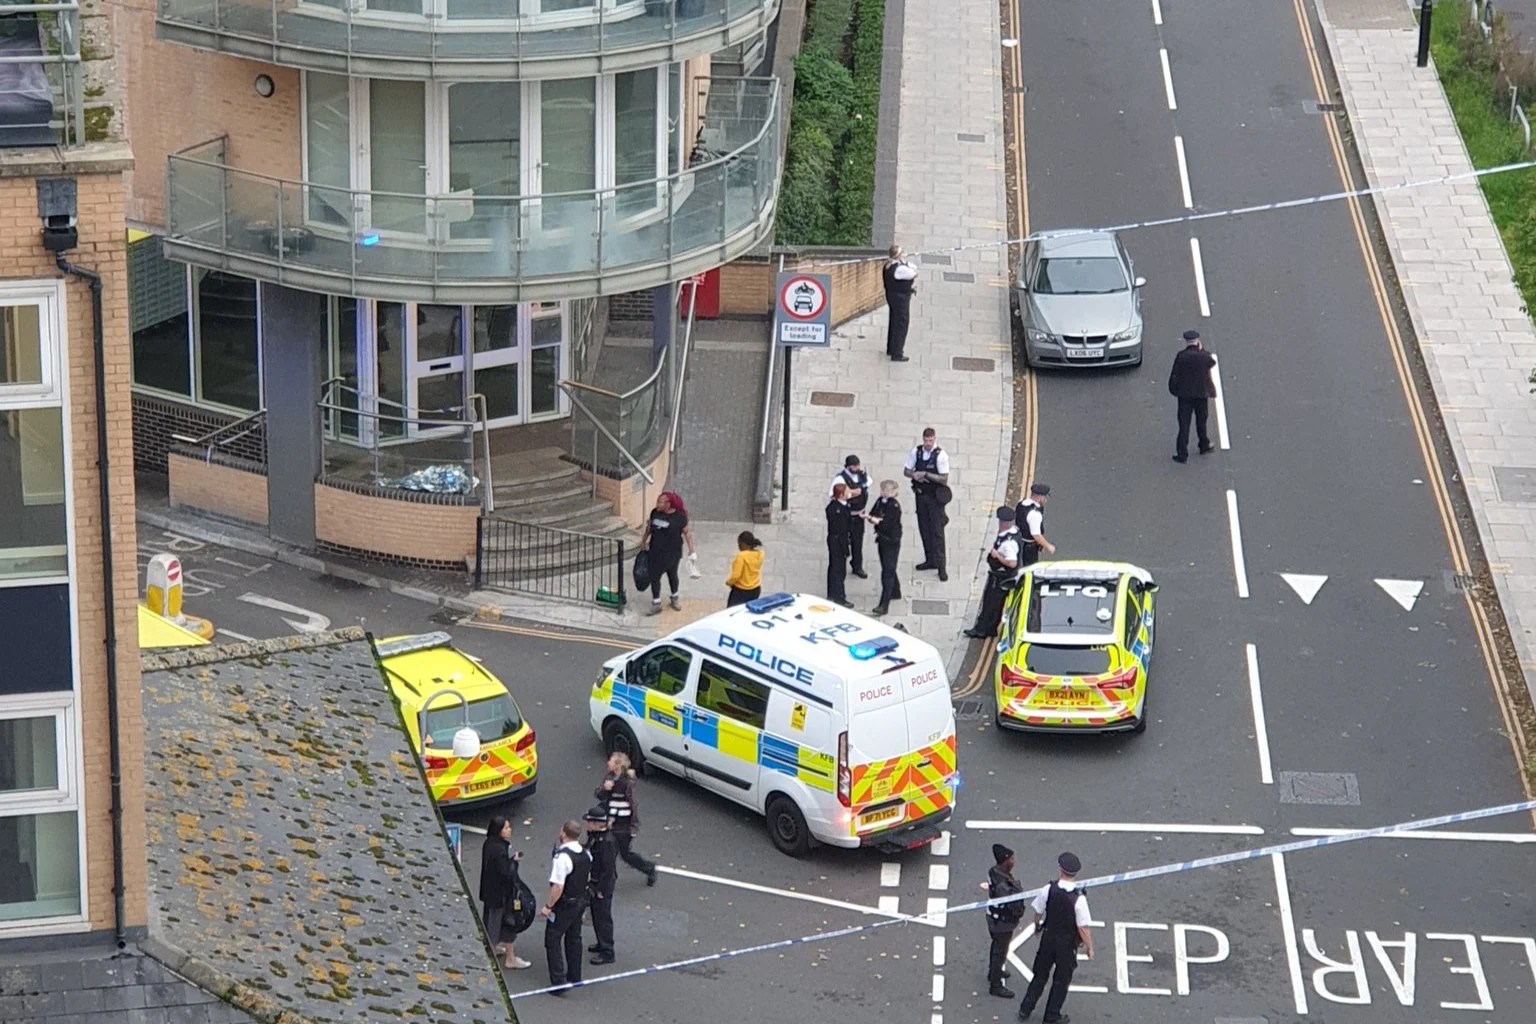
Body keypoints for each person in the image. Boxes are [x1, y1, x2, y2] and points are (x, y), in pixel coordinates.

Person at [1018, 852, 1094, 1023]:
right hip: (1067, 945)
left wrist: (1037, 926)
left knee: (1039, 976)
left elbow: (1038, 911)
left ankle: (1025, 1008)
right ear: (1075, 873)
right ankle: (1051, 1015)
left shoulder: (1048, 889)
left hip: (1048, 939)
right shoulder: (1078, 899)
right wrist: (1089, 947)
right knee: (1061, 981)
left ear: (1060, 869)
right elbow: (1083, 927)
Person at [539, 820, 592, 993]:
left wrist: (548, 906)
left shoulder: (562, 857)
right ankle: (575, 976)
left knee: (552, 939)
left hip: (565, 904)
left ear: (563, 833)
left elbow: (558, 886)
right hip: (580, 901)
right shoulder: (586, 854)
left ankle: (558, 982)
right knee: (574, 937)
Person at [596, 752, 658, 886]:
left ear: (617, 765)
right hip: (611, 824)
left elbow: (631, 805)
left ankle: (649, 868)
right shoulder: (609, 778)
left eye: (611, 761)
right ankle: (606, 881)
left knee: (625, 854)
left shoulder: (625, 783)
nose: (608, 763)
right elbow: (600, 796)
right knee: (607, 852)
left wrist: (632, 827)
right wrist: (605, 789)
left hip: (622, 826)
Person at [479, 816, 532, 970]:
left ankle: (495, 948)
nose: (510, 830)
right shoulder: (499, 849)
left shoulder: (489, 843)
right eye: (506, 828)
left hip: (490, 892)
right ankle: (510, 958)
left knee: (492, 921)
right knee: (508, 923)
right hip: (500, 895)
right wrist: (514, 862)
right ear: (499, 831)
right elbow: (505, 872)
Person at [965, 506, 1023, 639]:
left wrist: (997, 556)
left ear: (1002, 523)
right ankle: (991, 628)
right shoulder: (1014, 532)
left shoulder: (1008, 543)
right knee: (997, 603)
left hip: (1000, 577)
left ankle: (981, 630)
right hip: (1004, 577)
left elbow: (1012, 563)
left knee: (990, 603)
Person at [904, 428, 951, 581]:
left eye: (930, 440)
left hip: (935, 499)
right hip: (920, 496)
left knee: (937, 533)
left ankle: (942, 567)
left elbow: (944, 479)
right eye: (925, 440)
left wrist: (925, 474)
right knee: (924, 529)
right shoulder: (916, 452)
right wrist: (913, 474)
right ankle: (930, 560)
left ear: (934, 439)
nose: (928, 443)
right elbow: (906, 470)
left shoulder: (941, 455)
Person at [639, 491, 695, 615]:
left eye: (661, 502)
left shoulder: (680, 517)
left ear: (668, 504)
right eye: (658, 501)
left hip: (672, 553)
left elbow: (687, 533)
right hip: (655, 552)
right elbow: (649, 528)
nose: (657, 504)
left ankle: (674, 598)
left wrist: (691, 549)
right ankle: (656, 603)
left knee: (672, 575)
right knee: (655, 577)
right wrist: (643, 541)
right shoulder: (655, 513)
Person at [1168, 329, 1218, 463]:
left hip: (1184, 396)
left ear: (1186, 341)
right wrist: (1201, 350)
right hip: (1201, 394)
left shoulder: (1181, 356)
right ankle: (1204, 444)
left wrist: (1174, 390)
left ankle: (1182, 453)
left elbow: (1175, 374)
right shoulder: (1204, 356)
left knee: (1184, 424)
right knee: (1201, 422)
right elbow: (1212, 363)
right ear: (1197, 341)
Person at [985, 843, 1025, 998]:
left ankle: (993, 972)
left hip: (993, 917)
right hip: (1002, 923)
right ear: (1005, 861)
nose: (1014, 861)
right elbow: (1013, 905)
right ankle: (995, 985)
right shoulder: (1003, 885)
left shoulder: (994, 872)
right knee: (1000, 952)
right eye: (1012, 859)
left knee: (996, 947)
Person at [583, 806, 619, 966]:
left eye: (590, 822)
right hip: (595, 881)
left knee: (603, 917)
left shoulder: (607, 842)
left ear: (598, 824)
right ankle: (601, 942)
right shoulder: (596, 836)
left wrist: (600, 890)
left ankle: (607, 951)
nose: (587, 824)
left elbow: (608, 869)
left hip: (602, 885)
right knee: (597, 915)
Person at [865, 480, 903, 615]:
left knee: (887, 571)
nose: (882, 492)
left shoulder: (894, 506)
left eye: (885, 490)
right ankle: (895, 591)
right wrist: (872, 518)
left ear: (892, 493)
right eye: (882, 490)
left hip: (891, 541)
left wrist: (874, 520)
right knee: (888, 566)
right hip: (881, 538)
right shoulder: (880, 500)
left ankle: (884, 604)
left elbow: (886, 524)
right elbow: (873, 513)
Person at [831, 455, 872, 579]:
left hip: (859, 515)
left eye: (858, 465)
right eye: (854, 466)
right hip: (847, 515)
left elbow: (869, 481)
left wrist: (858, 489)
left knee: (857, 541)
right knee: (843, 541)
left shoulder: (862, 475)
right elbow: (834, 494)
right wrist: (853, 493)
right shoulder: (840, 479)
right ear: (848, 467)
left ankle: (857, 566)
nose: (857, 468)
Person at [883, 245, 918, 361]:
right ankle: (897, 353)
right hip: (901, 298)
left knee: (893, 321)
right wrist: (907, 264)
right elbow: (914, 272)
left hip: (891, 296)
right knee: (901, 324)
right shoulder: (900, 269)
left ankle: (891, 348)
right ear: (898, 256)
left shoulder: (888, 266)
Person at [825, 482, 854, 607]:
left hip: (836, 539)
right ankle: (839, 597)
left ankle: (832, 594)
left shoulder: (838, 506)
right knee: (839, 570)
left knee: (833, 567)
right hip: (838, 541)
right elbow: (842, 528)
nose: (850, 493)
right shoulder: (837, 510)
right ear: (841, 495)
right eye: (847, 491)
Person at [1013, 483, 1056, 568]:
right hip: (1029, 547)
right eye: (1044, 497)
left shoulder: (1022, 504)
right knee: (1030, 569)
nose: (1045, 500)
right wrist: (1048, 546)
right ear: (1039, 497)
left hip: (1018, 540)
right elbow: (1036, 535)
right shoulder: (1034, 513)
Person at [725, 531, 765, 607]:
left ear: (743, 544)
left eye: (739, 544)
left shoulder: (741, 556)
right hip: (755, 589)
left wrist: (729, 582)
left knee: (731, 612)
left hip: (741, 591)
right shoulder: (760, 554)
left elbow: (736, 576)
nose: (738, 546)